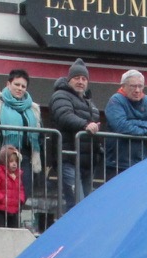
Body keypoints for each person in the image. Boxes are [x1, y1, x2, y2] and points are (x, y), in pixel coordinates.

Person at [50, 59, 99, 207]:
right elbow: (64, 115)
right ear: (69, 79)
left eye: (84, 79)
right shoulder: (60, 95)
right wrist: (85, 125)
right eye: (77, 78)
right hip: (69, 158)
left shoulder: (89, 102)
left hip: (87, 162)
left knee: (85, 206)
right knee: (78, 205)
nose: (80, 82)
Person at [103, 69, 147, 178]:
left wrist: (131, 122)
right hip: (117, 163)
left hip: (142, 161)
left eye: (140, 86)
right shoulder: (115, 100)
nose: (137, 90)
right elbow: (121, 126)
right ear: (123, 86)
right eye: (133, 86)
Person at [0, 143, 26, 228]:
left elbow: (21, 189)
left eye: (16, 161)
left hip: (14, 209)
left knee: (14, 231)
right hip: (0, 209)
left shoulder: (18, 175)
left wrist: (20, 199)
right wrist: (2, 199)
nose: (14, 164)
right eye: (11, 161)